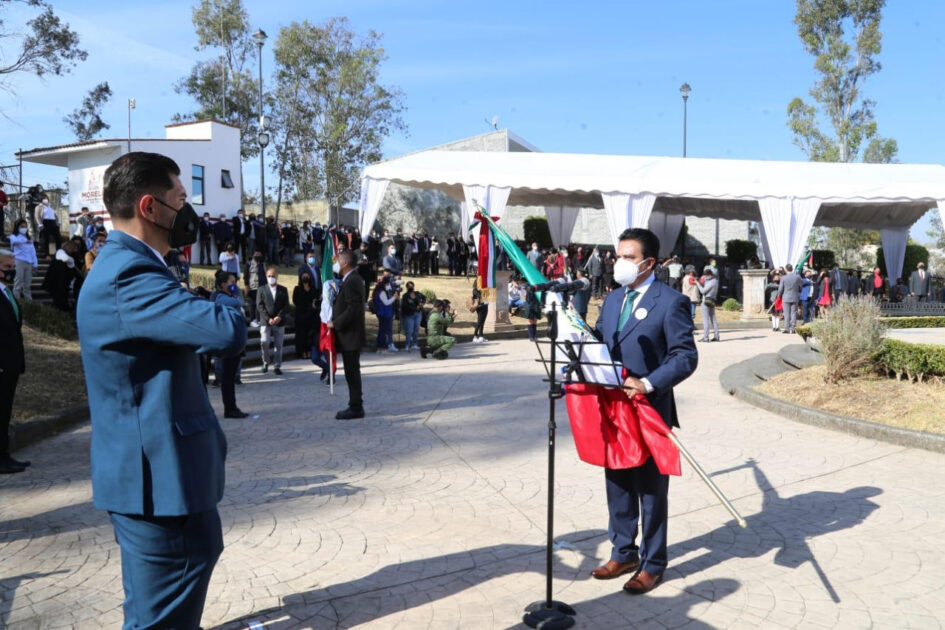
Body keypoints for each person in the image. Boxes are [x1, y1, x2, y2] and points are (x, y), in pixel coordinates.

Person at [76, 151, 246, 628]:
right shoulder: (128, 275)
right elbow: (226, 331)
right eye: (180, 198)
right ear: (150, 207)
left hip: (158, 481)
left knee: (154, 610)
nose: (187, 211)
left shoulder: (134, 267)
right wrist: (225, 300)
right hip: (158, 486)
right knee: (162, 616)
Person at [590, 227, 698, 595]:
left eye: (628, 257)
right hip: (613, 410)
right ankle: (623, 552)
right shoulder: (612, 299)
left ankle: (652, 563)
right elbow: (600, 340)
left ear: (649, 263)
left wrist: (648, 383)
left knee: (651, 492)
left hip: (649, 409)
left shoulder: (670, 302)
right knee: (618, 483)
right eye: (617, 255)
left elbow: (685, 356)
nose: (618, 263)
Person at [0, 248, 30, 474]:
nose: (11, 271)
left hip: (11, 363)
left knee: (5, 411)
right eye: (6, 267)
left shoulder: (6, 292)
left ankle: (4, 454)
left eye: (12, 267)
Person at [329, 249, 367, 420]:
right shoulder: (352, 279)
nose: (336, 264)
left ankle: (356, 407)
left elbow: (353, 309)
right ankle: (355, 404)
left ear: (344, 263)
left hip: (351, 335)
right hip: (349, 336)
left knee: (352, 372)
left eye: (338, 261)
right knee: (351, 372)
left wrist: (335, 323)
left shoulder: (352, 280)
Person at [211, 271, 248, 419]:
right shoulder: (221, 298)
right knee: (227, 378)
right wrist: (237, 294)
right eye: (231, 282)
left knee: (230, 377)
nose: (234, 285)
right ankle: (230, 408)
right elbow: (239, 303)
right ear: (223, 284)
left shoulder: (230, 297)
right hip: (228, 341)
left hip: (234, 340)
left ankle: (232, 407)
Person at [257, 266, 288, 375]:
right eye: (269, 276)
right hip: (266, 322)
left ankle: (277, 366)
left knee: (278, 345)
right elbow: (259, 306)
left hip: (279, 322)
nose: (271, 278)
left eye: (273, 276)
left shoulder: (283, 290)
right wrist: (268, 318)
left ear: (277, 276)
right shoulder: (261, 289)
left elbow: (286, 306)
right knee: (264, 342)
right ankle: (266, 362)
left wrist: (279, 316)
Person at [9, 219, 38, 301]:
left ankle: (28, 302)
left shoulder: (29, 238)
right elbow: (15, 241)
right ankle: (16, 301)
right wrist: (25, 241)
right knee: (18, 283)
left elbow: (33, 252)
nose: (24, 228)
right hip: (19, 261)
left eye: (25, 226)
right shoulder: (13, 236)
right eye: (22, 226)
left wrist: (35, 264)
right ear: (17, 227)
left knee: (27, 285)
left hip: (29, 262)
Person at [293, 272, 320, 360]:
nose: (305, 277)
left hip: (311, 315)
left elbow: (316, 300)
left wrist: (314, 306)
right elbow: (295, 301)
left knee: (310, 334)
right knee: (301, 335)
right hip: (300, 315)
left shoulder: (313, 289)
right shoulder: (297, 289)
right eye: (304, 276)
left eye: (307, 276)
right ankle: (302, 351)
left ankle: (309, 350)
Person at [372, 272, 399, 353]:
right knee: (383, 331)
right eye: (388, 284)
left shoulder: (380, 291)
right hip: (383, 313)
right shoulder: (382, 292)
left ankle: (381, 347)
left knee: (382, 330)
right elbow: (386, 302)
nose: (389, 286)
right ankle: (381, 347)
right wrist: (394, 298)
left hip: (384, 312)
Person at [777, 264, 803, 334]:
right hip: (795, 296)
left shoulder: (783, 278)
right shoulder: (797, 277)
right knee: (793, 313)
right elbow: (802, 283)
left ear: (786, 269)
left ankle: (787, 328)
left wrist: (779, 295)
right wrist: (799, 290)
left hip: (786, 296)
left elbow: (780, 289)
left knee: (786, 313)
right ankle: (793, 328)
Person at [400, 281, 425, 352]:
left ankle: (415, 344)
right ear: (407, 287)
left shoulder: (417, 293)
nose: (411, 287)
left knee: (416, 329)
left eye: (412, 286)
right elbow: (404, 306)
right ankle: (407, 345)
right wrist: (415, 308)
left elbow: (424, 298)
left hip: (418, 314)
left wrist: (422, 304)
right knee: (409, 330)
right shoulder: (405, 296)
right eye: (409, 286)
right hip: (409, 315)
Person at [698, 266, 720, 342]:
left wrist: (697, 283)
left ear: (710, 275)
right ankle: (716, 336)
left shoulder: (711, 282)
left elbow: (703, 291)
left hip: (706, 301)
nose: (705, 277)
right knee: (713, 319)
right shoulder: (716, 281)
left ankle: (706, 337)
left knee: (705, 320)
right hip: (712, 301)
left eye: (706, 276)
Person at [471, 276, 489, 343]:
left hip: (485, 305)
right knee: (479, 321)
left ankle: (481, 336)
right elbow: (479, 296)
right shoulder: (475, 290)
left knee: (482, 321)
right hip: (480, 307)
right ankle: (475, 336)